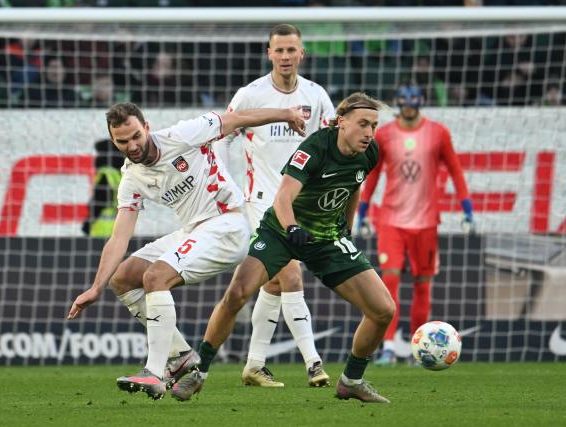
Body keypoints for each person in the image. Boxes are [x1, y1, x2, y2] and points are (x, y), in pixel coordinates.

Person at [67, 102, 306, 400]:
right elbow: (119, 237)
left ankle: (153, 373)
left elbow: (235, 119)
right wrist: (96, 287)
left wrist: (286, 113)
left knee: (156, 276)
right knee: (124, 277)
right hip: (194, 230)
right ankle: (180, 355)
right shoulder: (131, 178)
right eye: (123, 141)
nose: (132, 145)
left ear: (147, 127)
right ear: (114, 141)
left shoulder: (183, 135)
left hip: (227, 223)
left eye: (136, 136)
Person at [171, 92, 396, 404]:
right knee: (237, 292)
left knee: (384, 310)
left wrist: (348, 225)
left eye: (374, 125)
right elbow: (283, 197)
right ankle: (199, 372)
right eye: (363, 124)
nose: (369, 132)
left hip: (327, 238)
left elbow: (353, 185)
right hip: (282, 231)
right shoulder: (315, 147)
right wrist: (291, 228)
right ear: (342, 123)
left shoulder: (369, 153)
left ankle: (351, 380)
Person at [224, 23, 334, 388]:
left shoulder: (316, 96)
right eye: (279, 50)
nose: (286, 56)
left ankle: (254, 365)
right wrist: (222, 185)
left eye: (292, 50)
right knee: (290, 274)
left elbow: (331, 143)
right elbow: (222, 132)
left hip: (301, 205)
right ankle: (314, 364)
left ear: (302, 53)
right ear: (269, 53)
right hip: (261, 202)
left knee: (272, 284)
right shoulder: (250, 95)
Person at [357, 84, 474, 367]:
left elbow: (455, 169)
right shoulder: (383, 135)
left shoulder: (438, 133)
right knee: (391, 281)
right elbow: (372, 176)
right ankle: (387, 347)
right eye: (404, 100)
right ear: (398, 102)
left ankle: (414, 350)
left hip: (426, 221)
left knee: (422, 285)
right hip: (391, 220)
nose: (408, 105)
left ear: (421, 101)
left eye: (413, 100)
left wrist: (466, 207)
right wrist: (362, 210)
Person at [81, 138, 124, 237]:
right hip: (121, 227)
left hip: (103, 229)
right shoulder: (121, 174)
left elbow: (99, 201)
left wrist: (87, 225)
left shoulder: (105, 174)